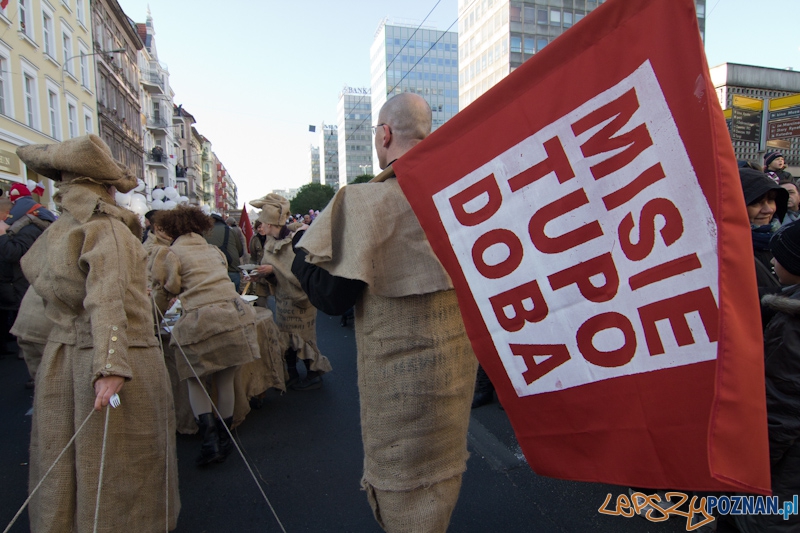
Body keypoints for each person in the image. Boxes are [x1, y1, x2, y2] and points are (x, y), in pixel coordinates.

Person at [292, 92, 477, 532]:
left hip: (398, 391)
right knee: (444, 474)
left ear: (385, 133)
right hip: (454, 378)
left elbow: (331, 297)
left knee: (402, 486)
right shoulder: (461, 196)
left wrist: (302, 251)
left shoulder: (364, 202)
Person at [16, 134, 179, 531]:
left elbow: (39, 277)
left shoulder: (59, 229)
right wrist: (111, 364)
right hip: (120, 358)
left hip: (66, 356)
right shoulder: (106, 229)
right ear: (105, 187)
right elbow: (106, 299)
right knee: (122, 467)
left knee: (64, 460)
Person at [149, 205, 261, 466]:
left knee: (195, 381)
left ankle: (210, 443)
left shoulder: (169, 254)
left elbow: (169, 289)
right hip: (233, 316)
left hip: (200, 322)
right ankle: (225, 440)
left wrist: (152, 317)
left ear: (171, 230)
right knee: (224, 381)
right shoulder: (213, 251)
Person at [732, 223, 800, 533]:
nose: (772, 261)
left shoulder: (792, 328)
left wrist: (749, 466)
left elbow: (782, 410)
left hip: (783, 470)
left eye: (780, 256)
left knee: (766, 521)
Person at [249, 193, 331, 390]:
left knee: (304, 337)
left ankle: (313, 374)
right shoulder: (269, 244)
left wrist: (272, 269)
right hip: (283, 299)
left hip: (302, 299)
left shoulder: (295, 240)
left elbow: (300, 271)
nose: (262, 227)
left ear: (269, 224)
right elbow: (274, 271)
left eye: (264, 223)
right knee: (286, 336)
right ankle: (291, 373)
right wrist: (262, 274)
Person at [0, 186, 55, 357]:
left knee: (23, 319)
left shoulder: (28, 228)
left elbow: (13, 253)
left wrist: (2, 235)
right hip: (12, 283)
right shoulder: (19, 226)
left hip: (20, 283)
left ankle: (27, 352)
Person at [740, 167, 789, 328]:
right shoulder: (724, 252)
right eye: (756, 202)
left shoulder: (786, 243)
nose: (768, 209)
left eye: (771, 200)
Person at [205, 211, 243, 291]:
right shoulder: (230, 230)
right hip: (232, 269)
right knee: (234, 300)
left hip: (212, 272)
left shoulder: (204, 232)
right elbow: (240, 251)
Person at [248, 220, 271, 307]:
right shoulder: (254, 239)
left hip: (272, 272)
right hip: (260, 273)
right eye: (259, 227)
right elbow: (253, 257)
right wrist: (251, 270)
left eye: (262, 227)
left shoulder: (272, 238)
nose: (261, 229)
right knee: (261, 299)